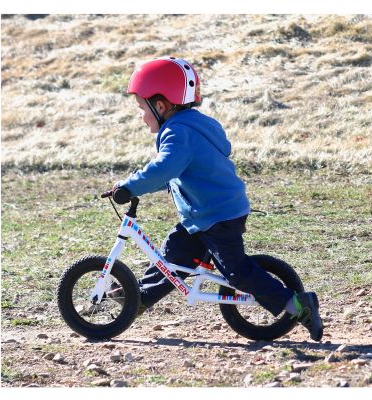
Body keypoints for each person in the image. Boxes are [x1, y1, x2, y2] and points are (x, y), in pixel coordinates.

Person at [105, 56, 323, 341]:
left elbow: (164, 169)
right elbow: (180, 172)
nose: (141, 115)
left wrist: (130, 186)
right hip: (204, 214)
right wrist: (140, 184)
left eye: (141, 108)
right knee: (174, 256)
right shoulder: (194, 125)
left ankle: (297, 305)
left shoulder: (178, 133)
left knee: (237, 272)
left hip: (218, 215)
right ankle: (140, 299)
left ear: (160, 106)